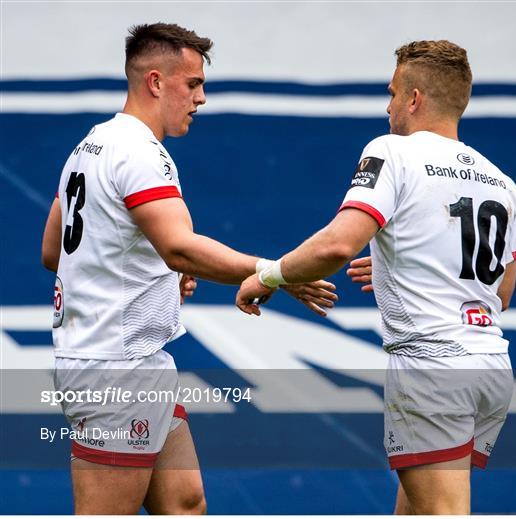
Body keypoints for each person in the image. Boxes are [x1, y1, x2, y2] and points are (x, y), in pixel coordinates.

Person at [41, 23, 336, 515]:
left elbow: (57, 250)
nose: (201, 98)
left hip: (141, 363)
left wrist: (150, 268)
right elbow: (180, 247)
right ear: (155, 81)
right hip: (113, 371)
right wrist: (275, 273)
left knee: (186, 504)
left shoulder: (90, 144)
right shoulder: (139, 152)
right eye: (193, 84)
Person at [236, 40, 516, 515]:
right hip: (491, 369)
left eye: (392, 93)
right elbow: (502, 291)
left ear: (414, 98)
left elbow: (336, 245)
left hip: (432, 367)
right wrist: (404, 261)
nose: (387, 107)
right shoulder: (501, 182)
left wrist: (268, 276)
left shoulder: (392, 151)